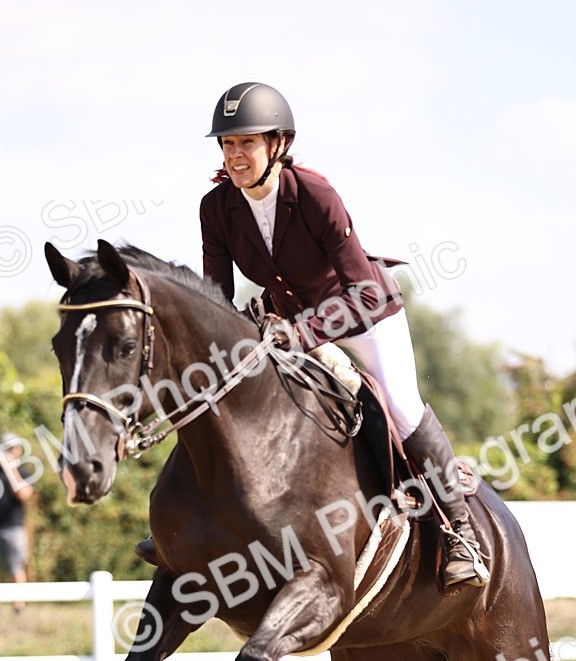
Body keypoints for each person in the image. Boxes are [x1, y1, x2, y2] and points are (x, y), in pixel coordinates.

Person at [198, 81, 489, 591]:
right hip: (288, 323)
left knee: (401, 406)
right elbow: (215, 298)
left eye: (247, 142)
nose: (236, 155)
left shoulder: (313, 194)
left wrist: (302, 331)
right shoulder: (216, 208)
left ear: (278, 145)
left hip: (361, 317)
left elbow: (365, 294)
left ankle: (460, 531)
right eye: (228, 144)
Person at [0, 433, 35, 613]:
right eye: (8, 449)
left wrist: (10, 468)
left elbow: (24, 494)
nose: (13, 452)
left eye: (14, 448)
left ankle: (18, 604)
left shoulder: (23, 472)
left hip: (14, 526)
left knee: (16, 566)